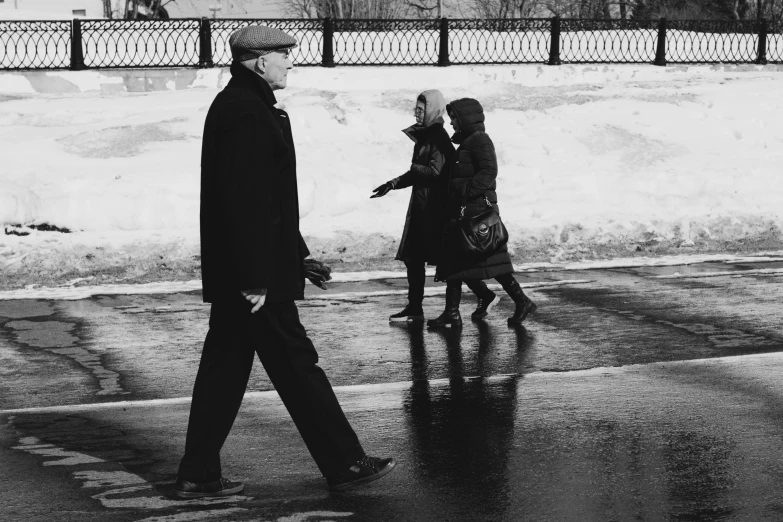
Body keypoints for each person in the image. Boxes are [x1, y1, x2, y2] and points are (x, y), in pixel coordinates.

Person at [173, 25, 395, 499]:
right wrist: (256, 275)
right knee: (297, 365)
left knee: (224, 372)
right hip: (255, 279)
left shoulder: (245, 107)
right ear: (258, 61)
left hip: (254, 269)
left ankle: (198, 473)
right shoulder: (247, 113)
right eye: (284, 55)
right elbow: (245, 203)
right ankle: (345, 463)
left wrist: (299, 256)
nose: (291, 62)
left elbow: (269, 202)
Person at [428, 98, 537, 328]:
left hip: (478, 214)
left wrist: (465, 192)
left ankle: (522, 301)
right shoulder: (466, 143)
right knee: (458, 262)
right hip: (466, 213)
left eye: (455, 119)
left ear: (466, 118)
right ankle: (452, 312)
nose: (452, 123)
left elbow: (489, 171)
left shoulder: (480, 140)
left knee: (494, 264)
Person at [370, 90, 455, 322]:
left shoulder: (438, 136)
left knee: (449, 263)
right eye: (415, 109)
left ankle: (481, 295)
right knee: (413, 258)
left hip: (433, 209)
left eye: (421, 110)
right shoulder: (427, 135)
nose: (416, 114)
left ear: (432, 111)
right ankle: (415, 307)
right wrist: (392, 184)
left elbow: (435, 171)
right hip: (421, 206)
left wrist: (416, 169)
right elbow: (418, 171)